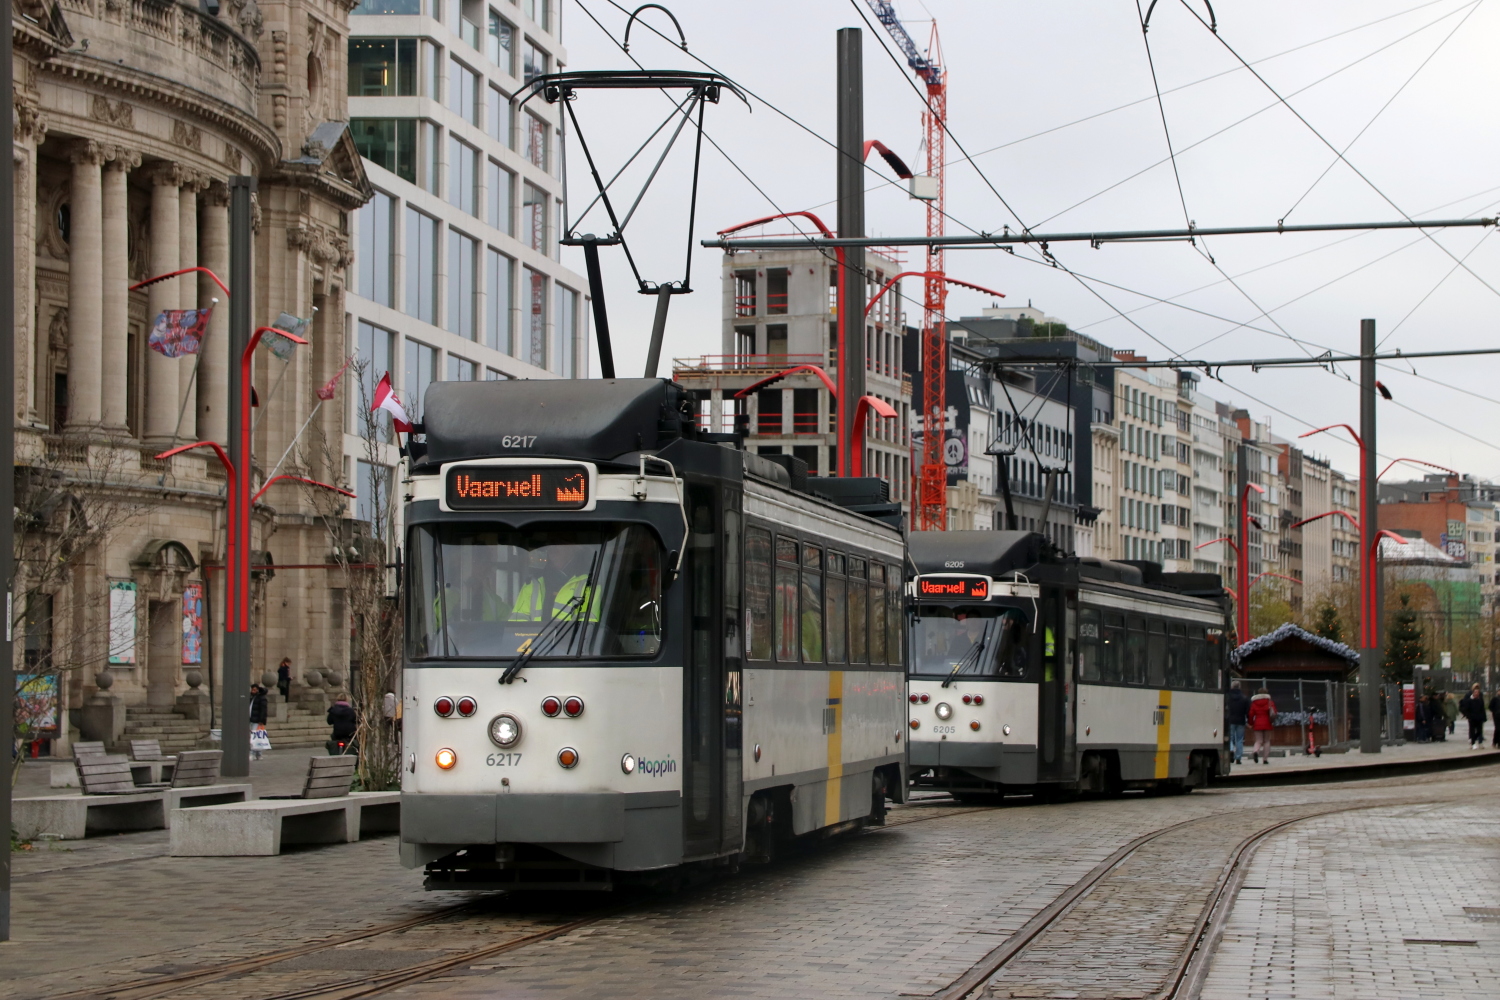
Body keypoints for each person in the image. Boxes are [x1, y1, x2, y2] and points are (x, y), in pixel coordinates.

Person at [1247, 686, 1276, 764]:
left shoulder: (1254, 703)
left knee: (1258, 741)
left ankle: (1256, 751)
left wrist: (1250, 723)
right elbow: (1274, 712)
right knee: (1266, 741)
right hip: (1267, 723)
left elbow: (1251, 714)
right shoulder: (1269, 702)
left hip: (1257, 724)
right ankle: (1265, 759)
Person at [1226, 681, 1249, 765]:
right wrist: (1249, 721)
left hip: (1230, 720)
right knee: (1239, 739)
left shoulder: (1227, 697)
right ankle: (1238, 758)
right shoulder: (1244, 698)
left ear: (1232, 687)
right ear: (1239, 687)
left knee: (1230, 738)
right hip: (1241, 720)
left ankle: (1231, 749)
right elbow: (1248, 711)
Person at [1460, 683, 1488, 749]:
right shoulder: (1469, 699)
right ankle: (1473, 742)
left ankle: (1476, 740)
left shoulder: (1480, 699)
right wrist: (1468, 715)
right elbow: (1465, 707)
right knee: (1472, 730)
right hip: (1472, 717)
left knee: (1479, 731)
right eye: (1475, 691)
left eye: (1477, 691)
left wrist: (1484, 717)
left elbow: (1482, 709)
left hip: (1479, 717)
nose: (1476, 693)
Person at [249, 684, 269, 760]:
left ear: (257, 690)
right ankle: (258, 754)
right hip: (251, 719)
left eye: (254, 690)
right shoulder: (252, 698)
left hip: (257, 721)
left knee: (255, 737)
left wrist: (261, 720)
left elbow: (263, 710)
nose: (252, 691)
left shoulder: (261, 698)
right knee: (257, 737)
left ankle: (253, 753)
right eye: (252, 690)